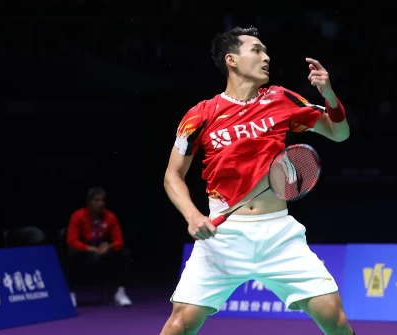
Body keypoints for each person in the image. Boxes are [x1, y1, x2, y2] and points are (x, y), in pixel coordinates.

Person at [160, 27, 355, 335]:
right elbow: (173, 175)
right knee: (181, 323)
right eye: (256, 50)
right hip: (222, 237)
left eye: (266, 51)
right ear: (232, 60)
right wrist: (193, 215)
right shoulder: (201, 114)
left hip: (279, 234)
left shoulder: (282, 99)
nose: (266, 57)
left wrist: (329, 94)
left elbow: (339, 133)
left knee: (335, 319)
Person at [65, 187, 133, 307]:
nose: (100, 204)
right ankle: (70, 294)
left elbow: (119, 241)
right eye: (96, 201)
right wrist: (91, 249)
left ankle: (120, 292)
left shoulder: (110, 217)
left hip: (103, 251)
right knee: (71, 254)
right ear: (89, 202)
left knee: (124, 253)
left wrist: (109, 247)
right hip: (85, 251)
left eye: (102, 201)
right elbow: (72, 241)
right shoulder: (78, 216)